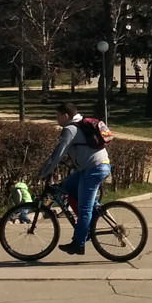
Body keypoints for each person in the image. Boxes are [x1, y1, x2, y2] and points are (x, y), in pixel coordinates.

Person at [37, 101, 111, 256]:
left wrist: (44, 172)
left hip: (94, 169)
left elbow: (58, 153)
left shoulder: (70, 129)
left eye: (57, 116)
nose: (56, 119)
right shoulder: (79, 124)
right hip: (94, 166)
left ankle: (78, 244)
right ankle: (96, 211)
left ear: (65, 116)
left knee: (84, 209)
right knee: (66, 187)